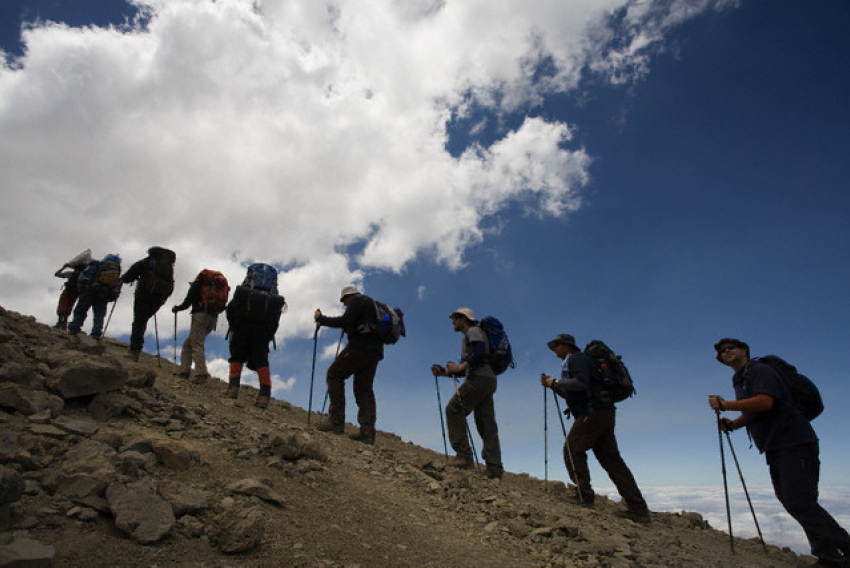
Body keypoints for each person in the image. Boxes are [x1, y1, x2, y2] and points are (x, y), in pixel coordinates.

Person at [710, 338, 850, 567]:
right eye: (722, 352)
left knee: (800, 502)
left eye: (731, 348)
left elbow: (766, 402)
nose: (726, 352)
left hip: (793, 442)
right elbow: (757, 410)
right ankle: (842, 549)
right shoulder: (741, 378)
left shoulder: (759, 370)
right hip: (778, 446)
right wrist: (734, 424)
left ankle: (831, 559)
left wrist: (727, 405)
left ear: (744, 350)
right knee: (795, 502)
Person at [541, 333, 650, 523]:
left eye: (556, 345)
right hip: (604, 413)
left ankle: (585, 496)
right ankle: (638, 509)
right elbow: (574, 392)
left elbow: (581, 384)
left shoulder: (576, 359)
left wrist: (555, 382)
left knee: (572, 449)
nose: (554, 350)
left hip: (592, 414)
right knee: (612, 460)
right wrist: (554, 385)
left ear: (567, 345)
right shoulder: (580, 361)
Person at [431, 308, 504, 479]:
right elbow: (472, 364)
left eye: (455, 319)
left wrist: (459, 367)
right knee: (486, 423)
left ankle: (464, 456)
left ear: (463, 319)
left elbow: (479, 354)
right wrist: (446, 372)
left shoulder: (473, 331)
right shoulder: (476, 333)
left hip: (479, 379)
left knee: (454, 409)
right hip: (487, 380)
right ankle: (494, 468)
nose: (453, 322)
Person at [313, 285, 384, 444]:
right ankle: (367, 433)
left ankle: (336, 422)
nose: (344, 305)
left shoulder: (356, 301)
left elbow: (345, 320)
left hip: (360, 347)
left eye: (344, 301)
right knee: (364, 389)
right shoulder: (371, 305)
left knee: (334, 374)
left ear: (347, 297)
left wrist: (321, 319)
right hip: (375, 351)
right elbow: (353, 322)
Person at [224, 263, 283, 408]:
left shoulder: (246, 290)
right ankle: (264, 395)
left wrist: (234, 324)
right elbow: (276, 317)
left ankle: (233, 389)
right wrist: (269, 333)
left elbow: (231, 307)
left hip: (242, 324)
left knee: (237, 356)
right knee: (262, 360)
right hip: (262, 329)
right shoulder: (272, 295)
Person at [121, 247, 176, 361]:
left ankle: (134, 351)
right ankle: (136, 348)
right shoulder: (168, 267)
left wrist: (123, 280)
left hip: (144, 294)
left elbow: (128, 277)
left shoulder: (147, 262)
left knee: (139, 321)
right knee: (143, 320)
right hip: (159, 298)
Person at [172, 270, 226, 383]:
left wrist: (178, 308)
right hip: (213, 318)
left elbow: (187, 302)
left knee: (196, 343)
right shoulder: (217, 287)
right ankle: (184, 372)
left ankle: (201, 373)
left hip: (200, 316)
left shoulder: (197, 285)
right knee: (188, 344)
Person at [67, 254, 122, 340]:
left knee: (81, 310)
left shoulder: (97, 265)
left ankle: (75, 327)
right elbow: (117, 284)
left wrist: (82, 289)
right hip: (104, 294)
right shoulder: (117, 271)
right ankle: (96, 333)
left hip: (90, 291)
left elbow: (83, 277)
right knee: (99, 315)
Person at [54, 263, 86, 329]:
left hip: (67, 291)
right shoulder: (84, 275)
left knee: (62, 304)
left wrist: (64, 267)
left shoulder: (71, 273)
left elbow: (56, 274)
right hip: (76, 293)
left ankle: (59, 322)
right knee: (69, 306)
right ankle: (65, 323)